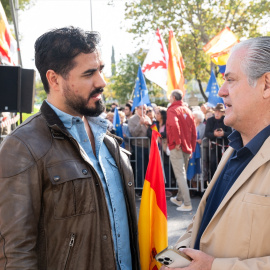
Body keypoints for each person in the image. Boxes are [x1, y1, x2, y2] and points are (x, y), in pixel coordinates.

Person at [0, 27, 140, 269]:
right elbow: (15, 253)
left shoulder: (107, 137)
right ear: (54, 79)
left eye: (101, 70)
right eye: (88, 74)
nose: (102, 82)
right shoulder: (23, 146)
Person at [162, 36, 270, 270]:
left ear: (266, 84)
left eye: (230, 80)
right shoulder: (234, 148)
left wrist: (213, 267)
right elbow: (203, 221)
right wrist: (180, 254)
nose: (221, 92)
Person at [167, 90, 197, 212]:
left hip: (177, 146)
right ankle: (179, 198)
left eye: (170, 97)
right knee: (182, 175)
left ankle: (187, 203)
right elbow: (194, 131)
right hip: (187, 147)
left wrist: (177, 142)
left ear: (173, 97)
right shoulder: (188, 110)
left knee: (180, 175)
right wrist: (192, 148)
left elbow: (174, 125)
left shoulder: (172, 110)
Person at [204, 103, 232, 179]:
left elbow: (230, 133)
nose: (217, 113)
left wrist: (223, 133)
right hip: (213, 147)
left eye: (219, 112)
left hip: (225, 146)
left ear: (223, 113)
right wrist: (214, 134)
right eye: (216, 111)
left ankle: (224, 180)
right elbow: (206, 133)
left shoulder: (226, 119)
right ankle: (212, 180)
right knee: (213, 163)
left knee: (225, 163)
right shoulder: (210, 120)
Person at [128, 104, 151, 189]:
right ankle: (139, 187)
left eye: (145, 109)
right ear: (137, 109)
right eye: (142, 109)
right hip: (138, 146)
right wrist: (140, 124)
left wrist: (149, 124)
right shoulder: (132, 119)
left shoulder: (147, 117)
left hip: (148, 146)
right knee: (140, 168)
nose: (144, 111)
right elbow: (133, 133)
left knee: (147, 167)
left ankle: (146, 186)